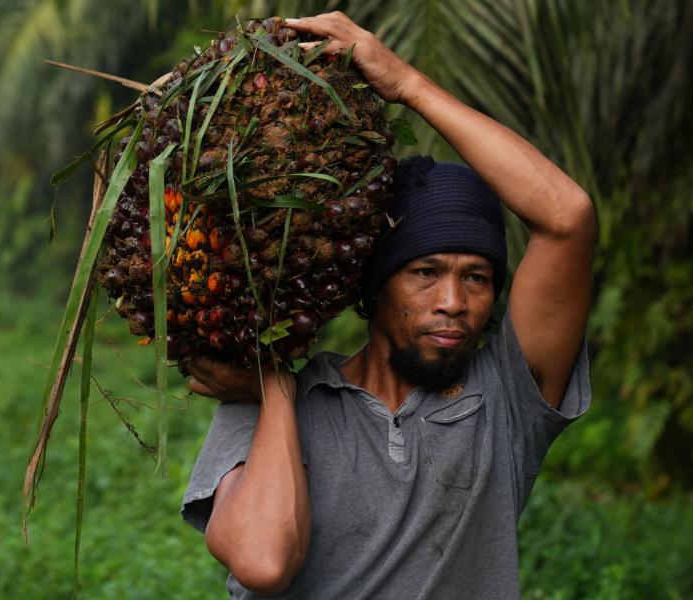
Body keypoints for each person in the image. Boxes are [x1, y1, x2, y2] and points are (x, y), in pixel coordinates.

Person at [181, 11, 595, 599]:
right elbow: (264, 563)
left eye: (476, 278)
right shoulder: (275, 402)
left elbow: (567, 217)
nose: (453, 302)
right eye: (425, 273)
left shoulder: (506, 397)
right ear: (373, 288)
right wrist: (275, 386)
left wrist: (408, 86)